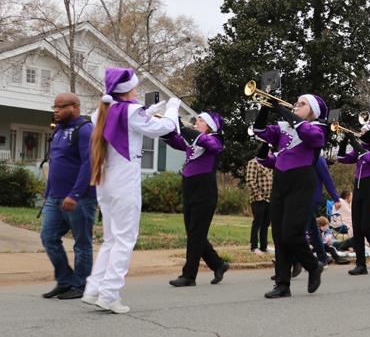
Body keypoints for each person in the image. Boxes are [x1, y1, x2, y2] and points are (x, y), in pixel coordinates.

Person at [84, 67, 181, 313]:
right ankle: (109, 294)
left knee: (111, 239)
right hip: (124, 181)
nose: (137, 90)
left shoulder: (101, 111)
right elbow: (165, 128)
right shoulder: (130, 112)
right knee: (125, 239)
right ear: (128, 89)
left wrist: (149, 110)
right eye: (135, 87)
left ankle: (94, 288)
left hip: (105, 180)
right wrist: (172, 108)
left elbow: (123, 119)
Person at [253, 93, 327, 298]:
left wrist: (283, 110)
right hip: (280, 180)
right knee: (278, 234)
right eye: (296, 103)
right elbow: (259, 130)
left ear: (312, 111)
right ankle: (282, 284)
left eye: (301, 104)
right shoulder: (283, 127)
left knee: (291, 232)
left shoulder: (318, 128)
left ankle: (313, 266)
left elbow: (309, 135)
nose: (296, 106)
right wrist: (266, 107)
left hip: (302, 181)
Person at [40, 93, 96, 300]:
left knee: (82, 243)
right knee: (48, 237)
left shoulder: (84, 129)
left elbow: (88, 164)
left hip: (79, 198)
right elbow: (55, 165)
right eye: (54, 107)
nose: (55, 110)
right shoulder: (59, 130)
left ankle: (81, 286)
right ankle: (65, 281)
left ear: (75, 107)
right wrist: (48, 193)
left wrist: (75, 194)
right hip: (55, 197)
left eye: (60, 107)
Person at [165, 111, 230, 287]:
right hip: (189, 189)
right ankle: (218, 264)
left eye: (200, 120)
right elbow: (175, 141)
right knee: (194, 233)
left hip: (205, 192)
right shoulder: (193, 143)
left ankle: (189, 275)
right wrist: (168, 128)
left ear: (210, 126)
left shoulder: (216, 140)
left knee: (196, 234)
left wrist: (182, 127)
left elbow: (207, 142)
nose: (196, 122)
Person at [336, 127, 370, 275]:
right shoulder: (360, 147)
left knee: (367, 227)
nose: (360, 132)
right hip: (358, 188)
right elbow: (342, 158)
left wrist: (353, 141)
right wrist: (344, 143)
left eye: (364, 130)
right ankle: (361, 264)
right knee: (357, 228)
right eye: (360, 130)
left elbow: (369, 158)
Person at [245, 151, 273, 254]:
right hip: (258, 199)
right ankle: (254, 247)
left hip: (269, 199)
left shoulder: (269, 163)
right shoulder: (253, 162)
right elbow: (250, 180)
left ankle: (264, 247)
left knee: (266, 224)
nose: (269, 153)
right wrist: (258, 196)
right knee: (257, 222)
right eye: (268, 151)